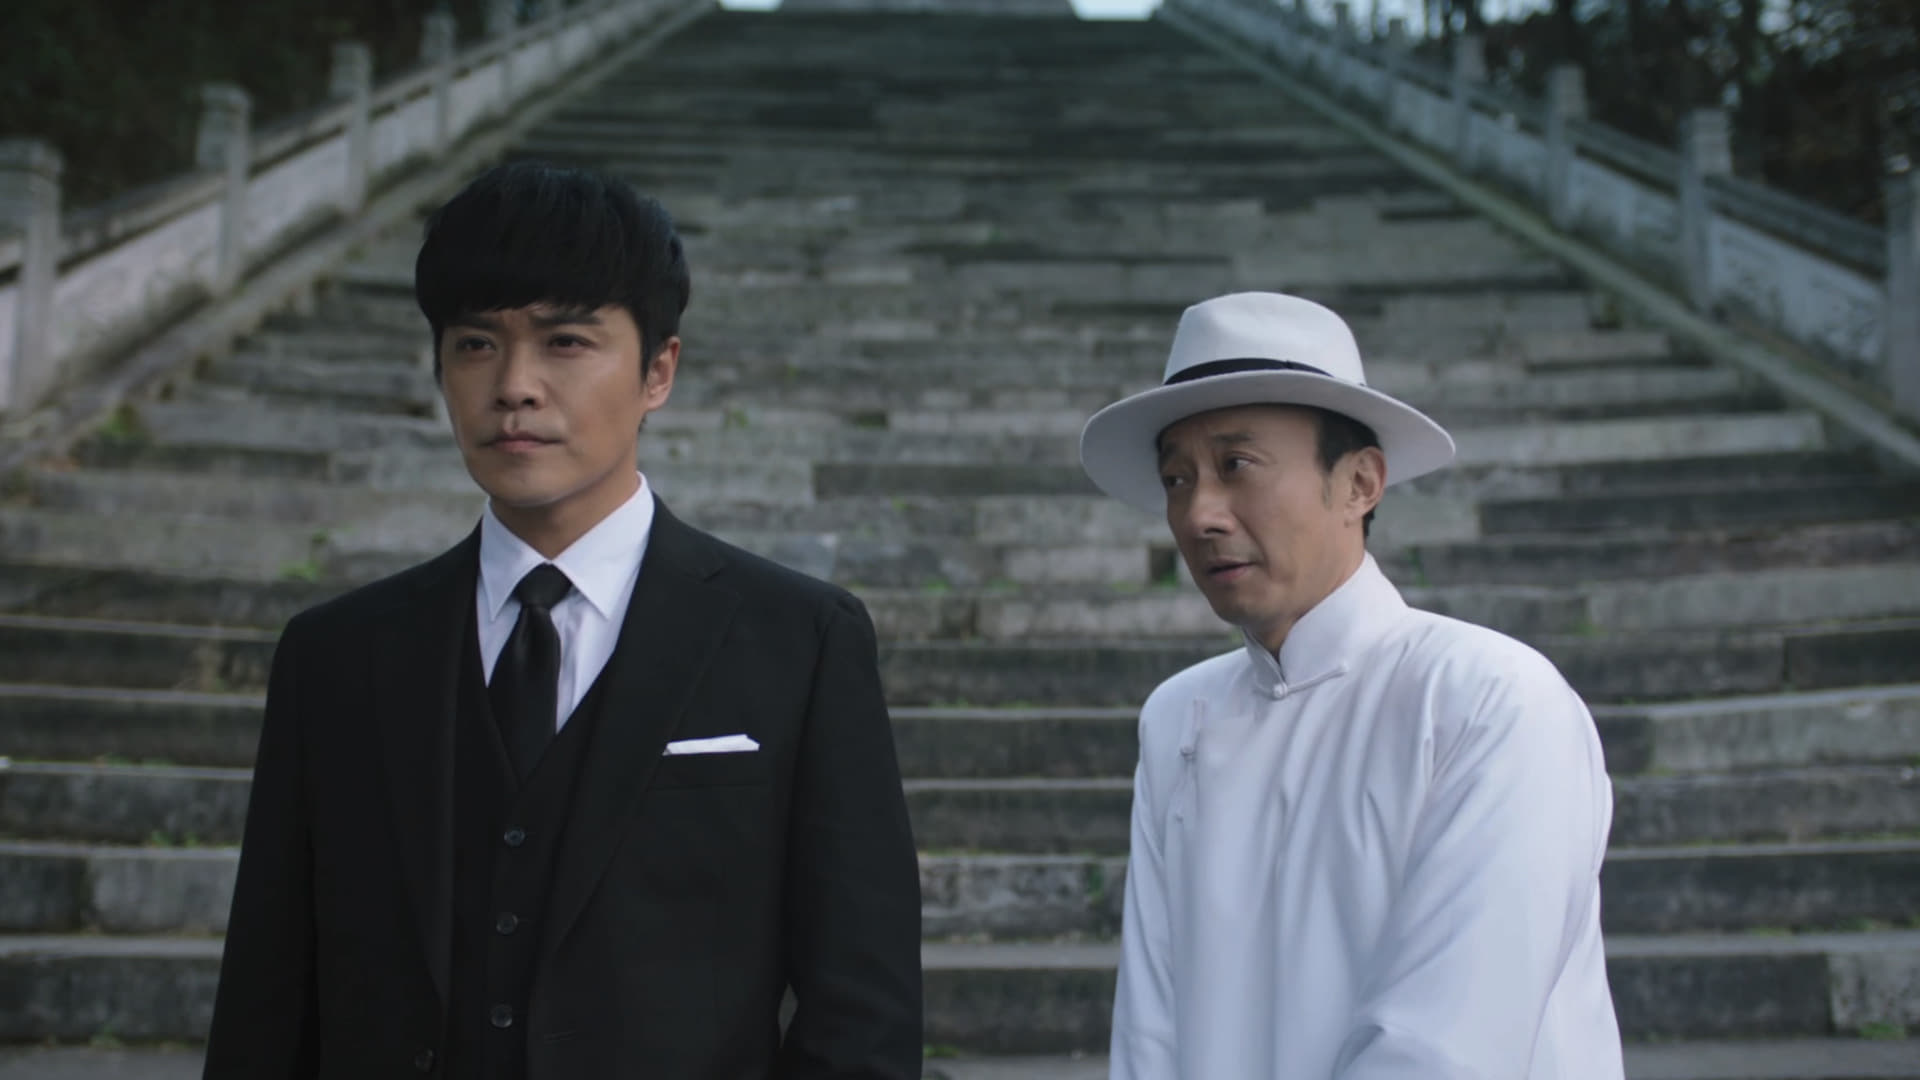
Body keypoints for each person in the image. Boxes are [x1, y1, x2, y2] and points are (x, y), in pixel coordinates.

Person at [203, 161, 924, 1080]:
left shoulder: (801, 640)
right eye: (476, 344)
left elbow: (861, 1015)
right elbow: (266, 1005)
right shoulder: (336, 656)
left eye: (566, 342)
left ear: (658, 370)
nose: (515, 385)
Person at [1082, 292, 1624, 1079]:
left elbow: (1451, 1047)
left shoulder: (1487, 698)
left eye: (1237, 466)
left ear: (1361, 483)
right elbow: (1150, 1029)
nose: (1200, 514)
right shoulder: (1180, 717)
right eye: (1176, 478)